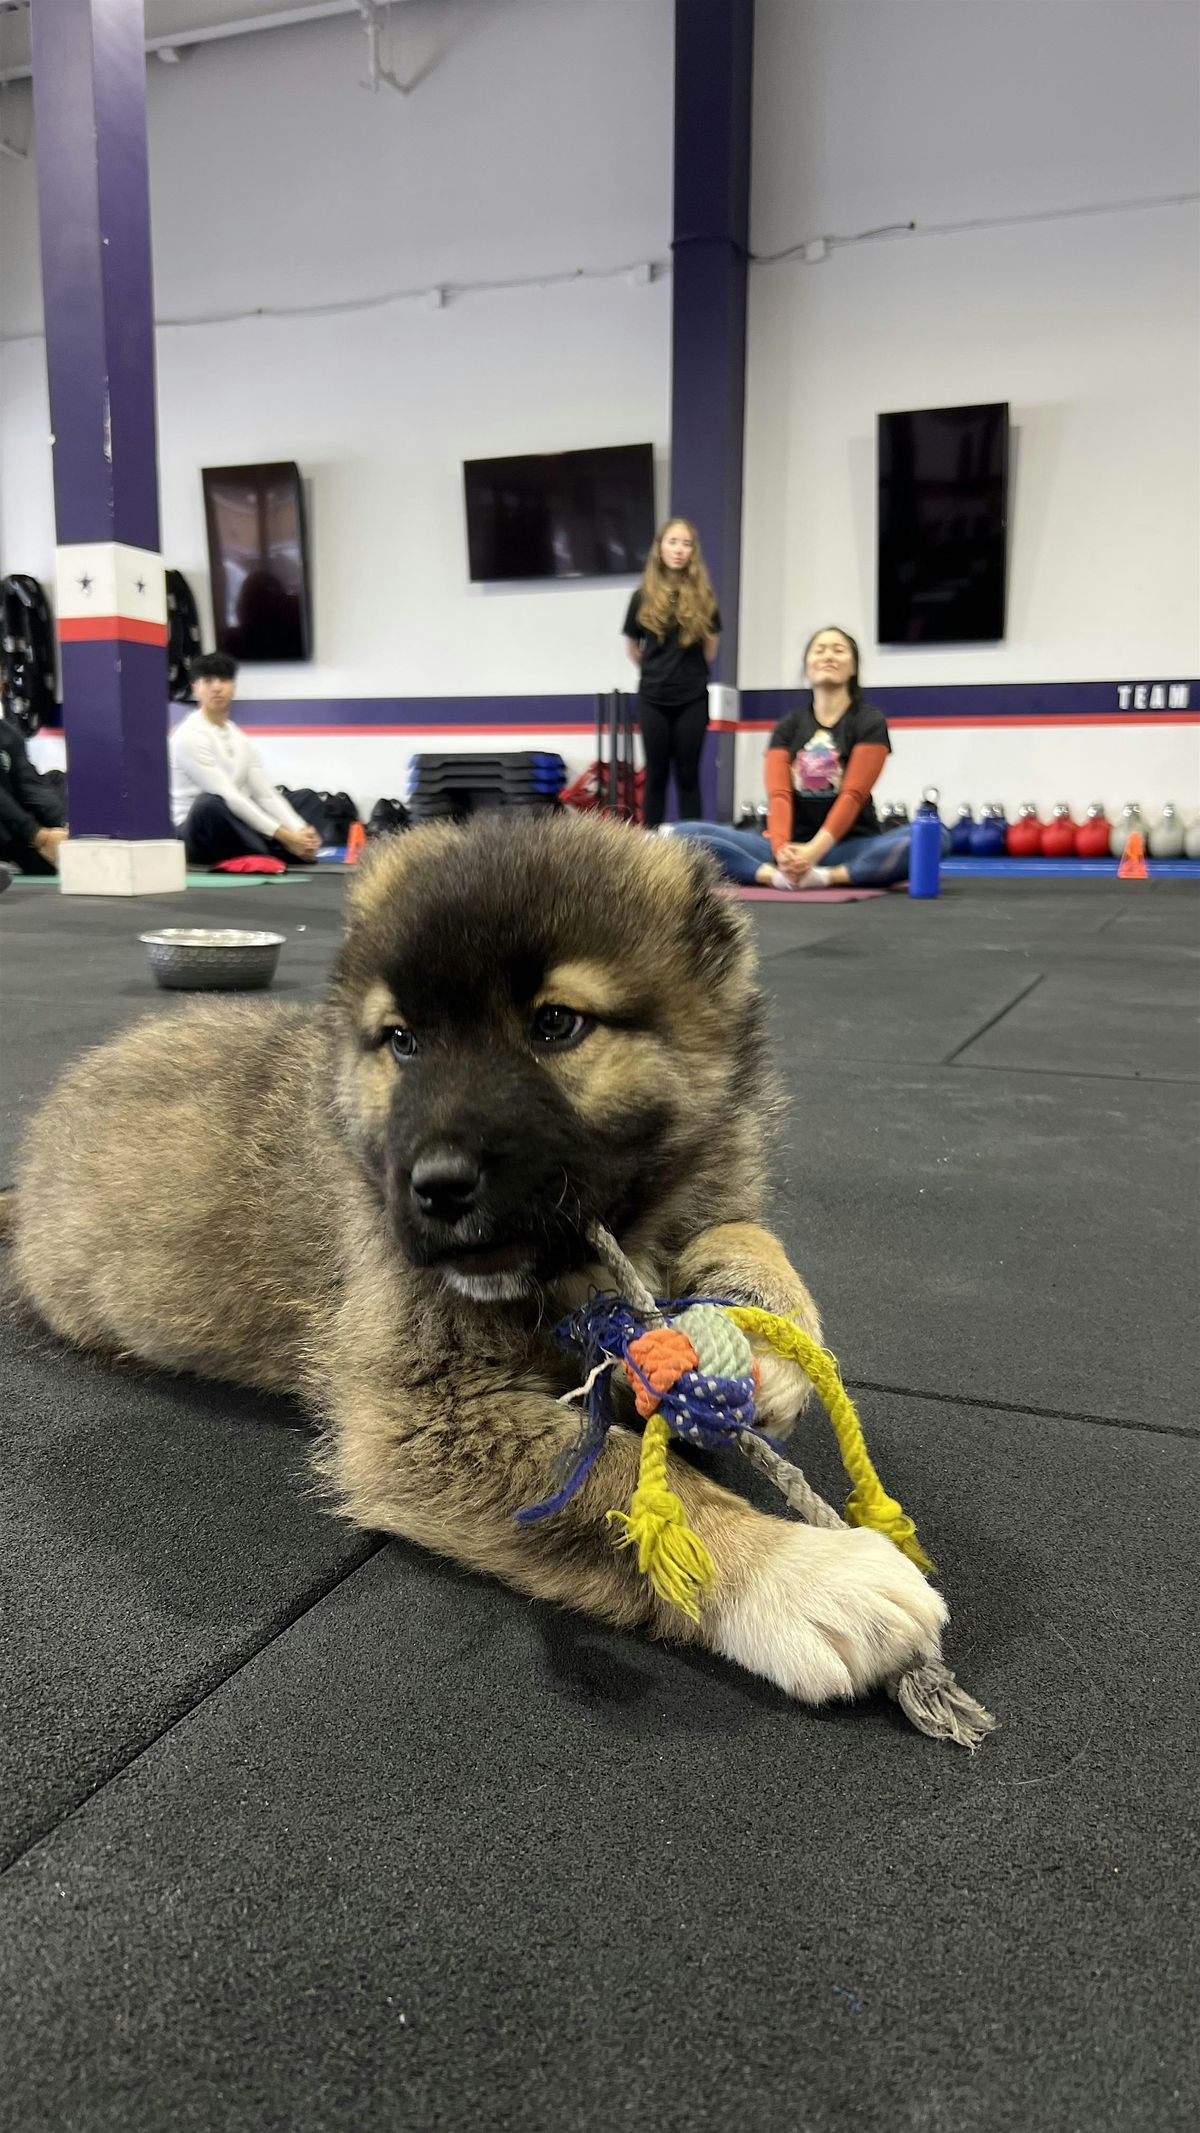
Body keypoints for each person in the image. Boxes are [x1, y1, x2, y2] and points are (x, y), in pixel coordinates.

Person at [668, 625, 949, 889]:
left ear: (853, 667)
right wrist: (782, 852)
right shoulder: (788, 726)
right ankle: (774, 876)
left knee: (936, 838)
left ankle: (826, 877)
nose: (828, 655)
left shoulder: (869, 722)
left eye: (838, 650)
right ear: (807, 665)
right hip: (787, 846)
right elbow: (779, 795)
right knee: (681, 833)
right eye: (820, 649)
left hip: (850, 846)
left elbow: (852, 795)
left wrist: (814, 852)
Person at [170, 653, 322, 867]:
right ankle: (269, 849)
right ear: (195, 687)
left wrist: (299, 830)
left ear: (233, 687)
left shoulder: (239, 737)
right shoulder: (187, 736)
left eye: (223, 680)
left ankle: (274, 848)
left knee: (306, 798)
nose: (216, 687)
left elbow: (265, 794)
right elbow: (230, 796)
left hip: (234, 819)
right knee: (209, 804)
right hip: (195, 832)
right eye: (208, 681)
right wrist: (286, 836)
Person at [622, 518, 721, 829]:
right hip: (653, 697)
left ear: (693, 551)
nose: (679, 550)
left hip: (692, 697)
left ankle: (695, 847)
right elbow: (633, 648)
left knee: (689, 774)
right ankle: (651, 850)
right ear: (660, 548)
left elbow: (710, 650)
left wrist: (684, 672)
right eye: (673, 542)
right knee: (656, 773)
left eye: (686, 543)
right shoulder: (641, 596)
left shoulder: (705, 598)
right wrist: (658, 671)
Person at [0, 713, 69, 877]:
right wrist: (36, 834)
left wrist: (63, 826)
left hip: (12, 830)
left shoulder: (8, 734)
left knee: (56, 778)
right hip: (14, 826)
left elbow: (30, 786)